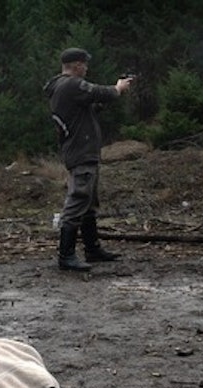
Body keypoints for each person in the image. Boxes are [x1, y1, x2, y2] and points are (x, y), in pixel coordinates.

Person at [44, 47, 133, 271]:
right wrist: (118, 88)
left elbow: (89, 106)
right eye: (84, 64)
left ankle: (92, 249)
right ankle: (66, 256)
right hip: (81, 152)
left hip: (82, 151)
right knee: (77, 201)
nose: (86, 68)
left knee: (89, 204)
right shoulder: (71, 84)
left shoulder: (63, 88)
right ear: (76, 65)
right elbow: (99, 92)